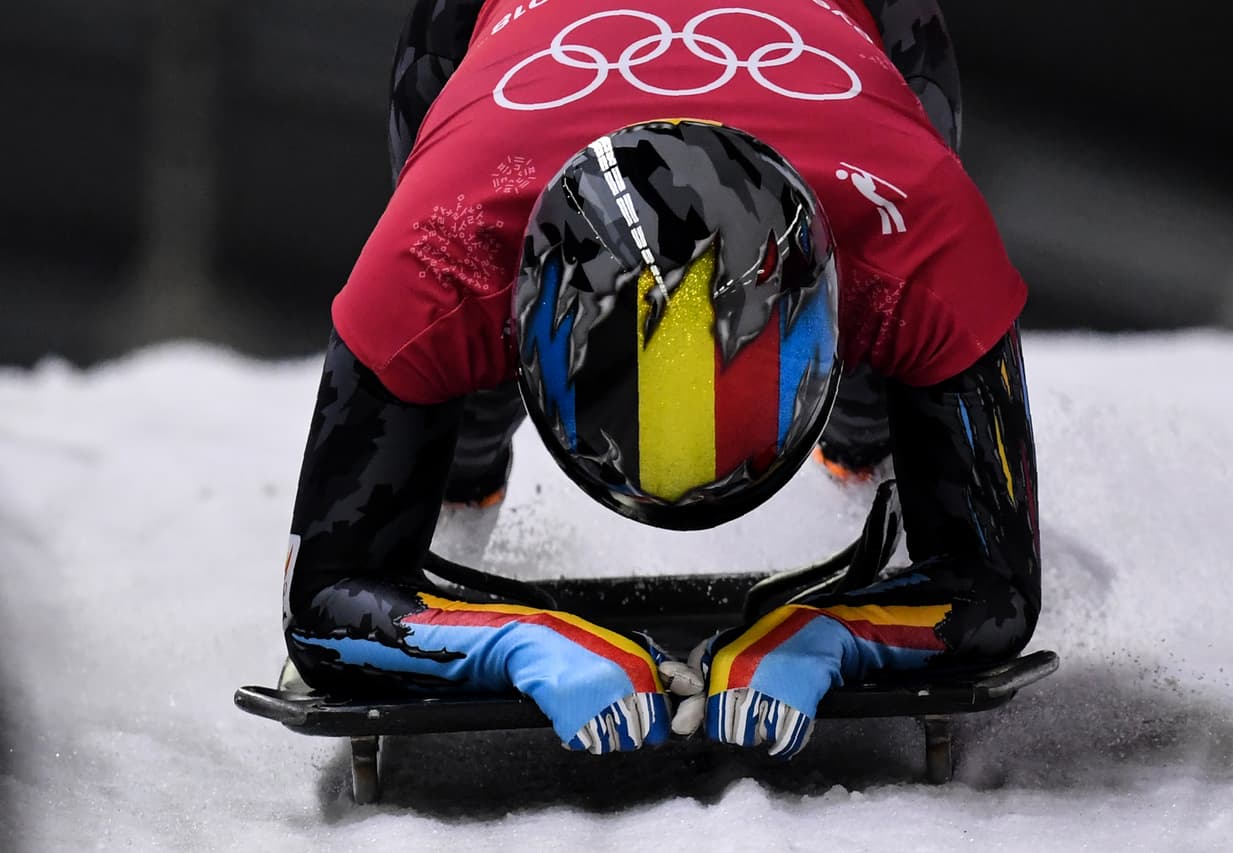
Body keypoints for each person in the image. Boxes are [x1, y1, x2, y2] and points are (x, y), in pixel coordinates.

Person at [281, 0, 1040, 758]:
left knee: (878, 415)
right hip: (488, 86)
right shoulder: (439, 252)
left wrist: (829, 634)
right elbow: (316, 602)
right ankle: (470, 463)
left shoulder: (925, 238)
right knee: (457, 416)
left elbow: (327, 607)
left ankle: (859, 439)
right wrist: (518, 643)